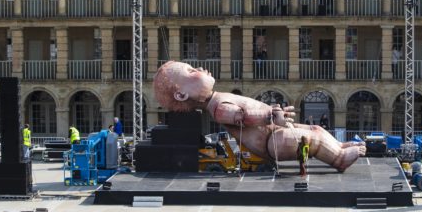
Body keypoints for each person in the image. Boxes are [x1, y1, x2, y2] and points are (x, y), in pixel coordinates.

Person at [153, 61, 366, 173]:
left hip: (273, 132)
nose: (199, 67)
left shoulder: (218, 98)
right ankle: (339, 159)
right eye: (191, 71)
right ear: (181, 94)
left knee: (316, 130)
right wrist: (271, 116)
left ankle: (339, 147)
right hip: (271, 142)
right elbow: (244, 117)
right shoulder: (218, 109)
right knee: (313, 140)